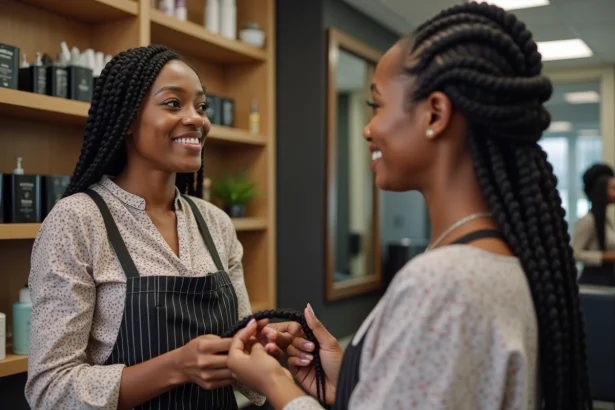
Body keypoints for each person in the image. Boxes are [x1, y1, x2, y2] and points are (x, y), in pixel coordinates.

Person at [225, 2, 593, 409]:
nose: (368, 129)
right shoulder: (503, 261)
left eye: (377, 105)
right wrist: (352, 385)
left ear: (434, 113)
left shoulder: (443, 284)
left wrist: (276, 383)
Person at [24, 44, 296, 410]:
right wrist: (176, 367)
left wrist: (258, 348)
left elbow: (245, 372)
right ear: (127, 121)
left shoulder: (215, 223)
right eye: (173, 104)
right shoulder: (78, 221)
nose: (196, 119)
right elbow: (49, 391)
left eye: (201, 107)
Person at [573, 163, 615, 286]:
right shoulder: (588, 220)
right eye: (612, 188)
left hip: (607, 281)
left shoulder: (605, 221)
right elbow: (575, 253)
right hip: (593, 283)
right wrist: (606, 257)